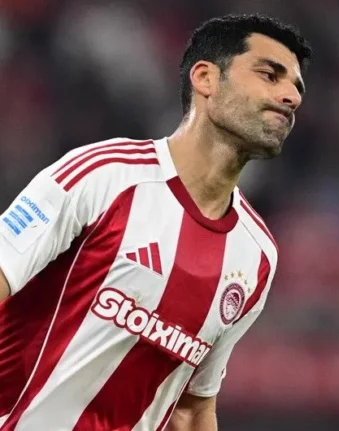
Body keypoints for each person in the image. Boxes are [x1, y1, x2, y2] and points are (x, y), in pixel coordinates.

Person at [0, 13, 311, 431]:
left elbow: (191, 408)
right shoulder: (102, 176)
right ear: (206, 78)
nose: (291, 97)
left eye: (297, 87)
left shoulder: (256, 256)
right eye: (270, 75)